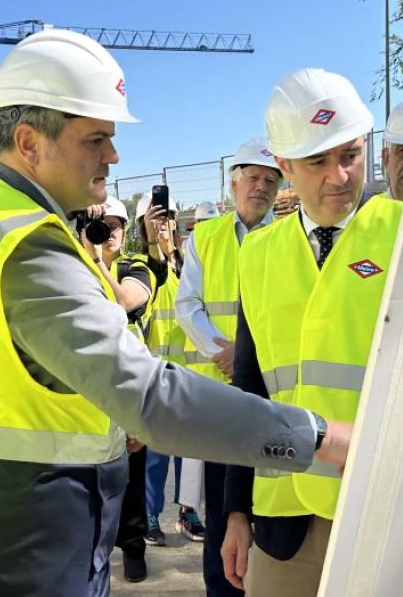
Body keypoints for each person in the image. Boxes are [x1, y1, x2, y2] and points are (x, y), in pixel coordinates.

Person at [0, 29, 352, 597]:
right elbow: (152, 398)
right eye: (96, 138)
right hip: (35, 545)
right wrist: (317, 436)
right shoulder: (29, 246)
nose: (113, 156)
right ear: (28, 142)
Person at [221, 68, 403, 597]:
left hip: (382, 507)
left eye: (349, 154)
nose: (339, 176)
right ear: (283, 166)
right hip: (284, 519)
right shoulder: (256, 254)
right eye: (316, 161)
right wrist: (235, 509)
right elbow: (250, 386)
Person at [176, 137, 282, 597]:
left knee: (273, 507)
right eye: (253, 178)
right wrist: (226, 354)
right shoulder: (205, 237)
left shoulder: (292, 236)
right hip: (220, 398)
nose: (260, 187)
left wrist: (246, 359)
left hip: (275, 394)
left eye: (270, 180)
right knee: (223, 510)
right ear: (233, 182)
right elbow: (187, 306)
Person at [82, 195, 165, 583]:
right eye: (100, 225)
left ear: (126, 230)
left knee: (131, 478)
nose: (107, 233)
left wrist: (95, 259)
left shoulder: (136, 267)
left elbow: (123, 301)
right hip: (89, 390)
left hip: (131, 388)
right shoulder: (74, 264)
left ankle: (133, 549)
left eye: (114, 226)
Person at [138, 193, 207, 548]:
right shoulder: (142, 264)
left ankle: (188, 510)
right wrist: (157, 248)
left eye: (170, 220)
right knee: (156, 453)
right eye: (157, 219)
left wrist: (173, 252)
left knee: (189, 453)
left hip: (188, 373)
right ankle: (151, 514)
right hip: (153, 375)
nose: (166, 225)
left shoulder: (189, 261)